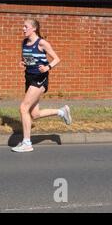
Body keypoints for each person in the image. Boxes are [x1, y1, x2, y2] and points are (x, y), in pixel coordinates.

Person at [12, 19, 72, 153]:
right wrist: (23, 63)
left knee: (23, 108)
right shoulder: (24, 42)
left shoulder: (42, 43)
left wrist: (47, 67)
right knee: (35, 114)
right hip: (29, 78)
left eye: (25, 26)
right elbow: (28, 59)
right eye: (23, 26)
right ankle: (62, 112)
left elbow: (57, 58)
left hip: (40, 79)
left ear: (33, 28)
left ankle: (27, 143)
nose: (23, 29)